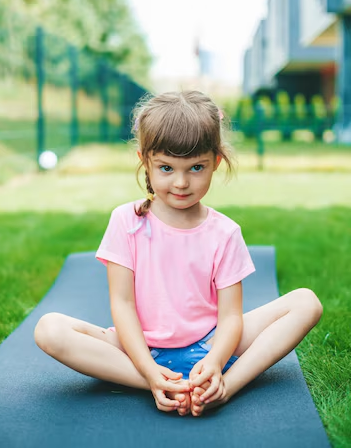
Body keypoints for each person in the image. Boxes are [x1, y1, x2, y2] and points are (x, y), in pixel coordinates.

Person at [34, 90, 323, 418]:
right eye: (167, 168)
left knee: (306, 303)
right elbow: (123, 304)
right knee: (49, 329)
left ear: (216, 161)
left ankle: (227, 385)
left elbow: (230, 316)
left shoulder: (225, 232)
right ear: (146, 161)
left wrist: (214, 361)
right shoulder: (125, 221)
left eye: (196, 167)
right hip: (139, 350)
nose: (182, 182)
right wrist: (147, 368)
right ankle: (159, 384)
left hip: (212, 345)